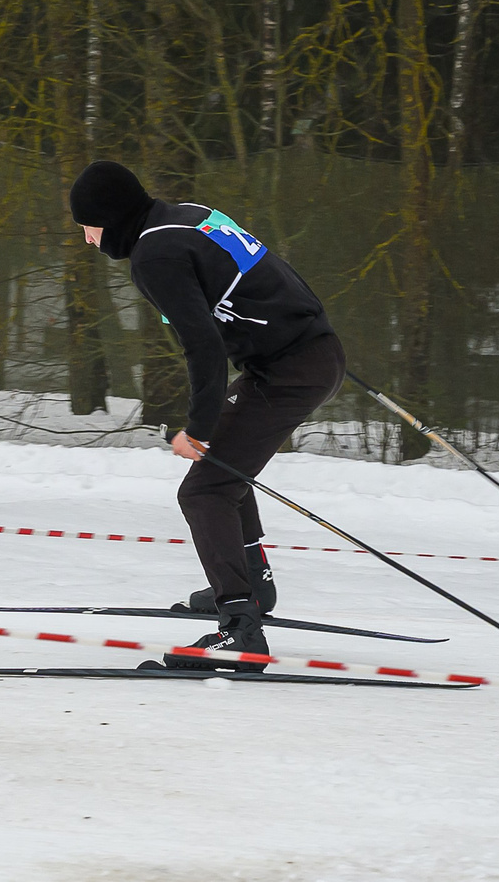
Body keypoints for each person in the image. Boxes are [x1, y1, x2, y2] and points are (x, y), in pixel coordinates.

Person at [68, 159, 345, 673]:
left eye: (87, 225)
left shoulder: (154, 254)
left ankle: (240, 628)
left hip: (290, 367)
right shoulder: (187, 216)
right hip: (304, 352)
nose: (86, 238)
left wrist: (197, 424)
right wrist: (309, 324)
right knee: (224, 469)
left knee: (203, 491)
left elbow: (203, 345)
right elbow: (265, 268)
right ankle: (253, 583)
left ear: (108, 217)